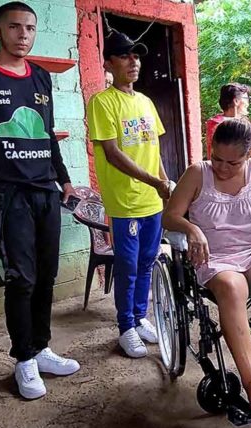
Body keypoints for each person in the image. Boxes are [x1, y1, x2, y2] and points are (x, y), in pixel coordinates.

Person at [0, 1, 80, 401]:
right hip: (6, 194)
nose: (23, 35)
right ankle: (23, 358)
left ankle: (40, 348)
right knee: (21, 278)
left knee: (46, 274)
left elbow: (47, 134)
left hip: (45, 192)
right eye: (14, 27)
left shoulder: (40, 77)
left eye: (30, 28)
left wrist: (66, 179)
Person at [162, 118, 251, 412]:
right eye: (217, 159)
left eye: (233, 163)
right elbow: (170, 216)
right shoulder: (197, 173)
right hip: (215, 257)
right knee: (231, 285)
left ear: (249, 155)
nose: (223, 168)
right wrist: (193, 230)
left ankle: (234, 315)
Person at [86, 31, 172, 358]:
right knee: (128, 264)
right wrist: (154, 181)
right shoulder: (102, 102)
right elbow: (111, 153)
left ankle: (139, 317)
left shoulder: (146, 102)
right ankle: (125, 327)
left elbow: (155, 151)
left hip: (152, 199)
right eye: (124, 56)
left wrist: (164, 186)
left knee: (148, 261)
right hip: (126, 204)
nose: (133, 61)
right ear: (109, 63)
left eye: (136, 55)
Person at [205, 82, 251, 158]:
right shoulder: (217, 124)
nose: (247, 103)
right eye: (246, 99)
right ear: (236, 101)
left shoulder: (245, 123)